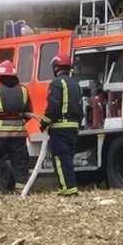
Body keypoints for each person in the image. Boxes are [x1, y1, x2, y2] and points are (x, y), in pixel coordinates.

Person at [0, 60, 43, 194]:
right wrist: (16, 121)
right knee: (20, 163)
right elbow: (28, 112)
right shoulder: (23, 90)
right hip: (18, 135)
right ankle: (21, 191)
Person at [39, 54, 84, 197]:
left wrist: (44, 122)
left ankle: (67, 190)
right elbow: (80, 108)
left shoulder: (57, 83)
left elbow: (53, 106)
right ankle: (69, 188)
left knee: (60, 159)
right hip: (73, 128)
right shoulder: (75, 84)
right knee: (67, 159)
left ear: (56, 67)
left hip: (59, 128)